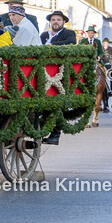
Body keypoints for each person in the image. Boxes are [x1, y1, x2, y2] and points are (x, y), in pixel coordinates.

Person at [40, 10, 75, 145]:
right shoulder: (44, 35)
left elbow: (71, 43)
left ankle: (55, 134)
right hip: (42, 71)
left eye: (58, 20)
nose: (55, 22)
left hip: (59, 72)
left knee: (56, 102)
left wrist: (50, 45)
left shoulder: (69, 34)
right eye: (53, 19)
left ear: (63, 22)